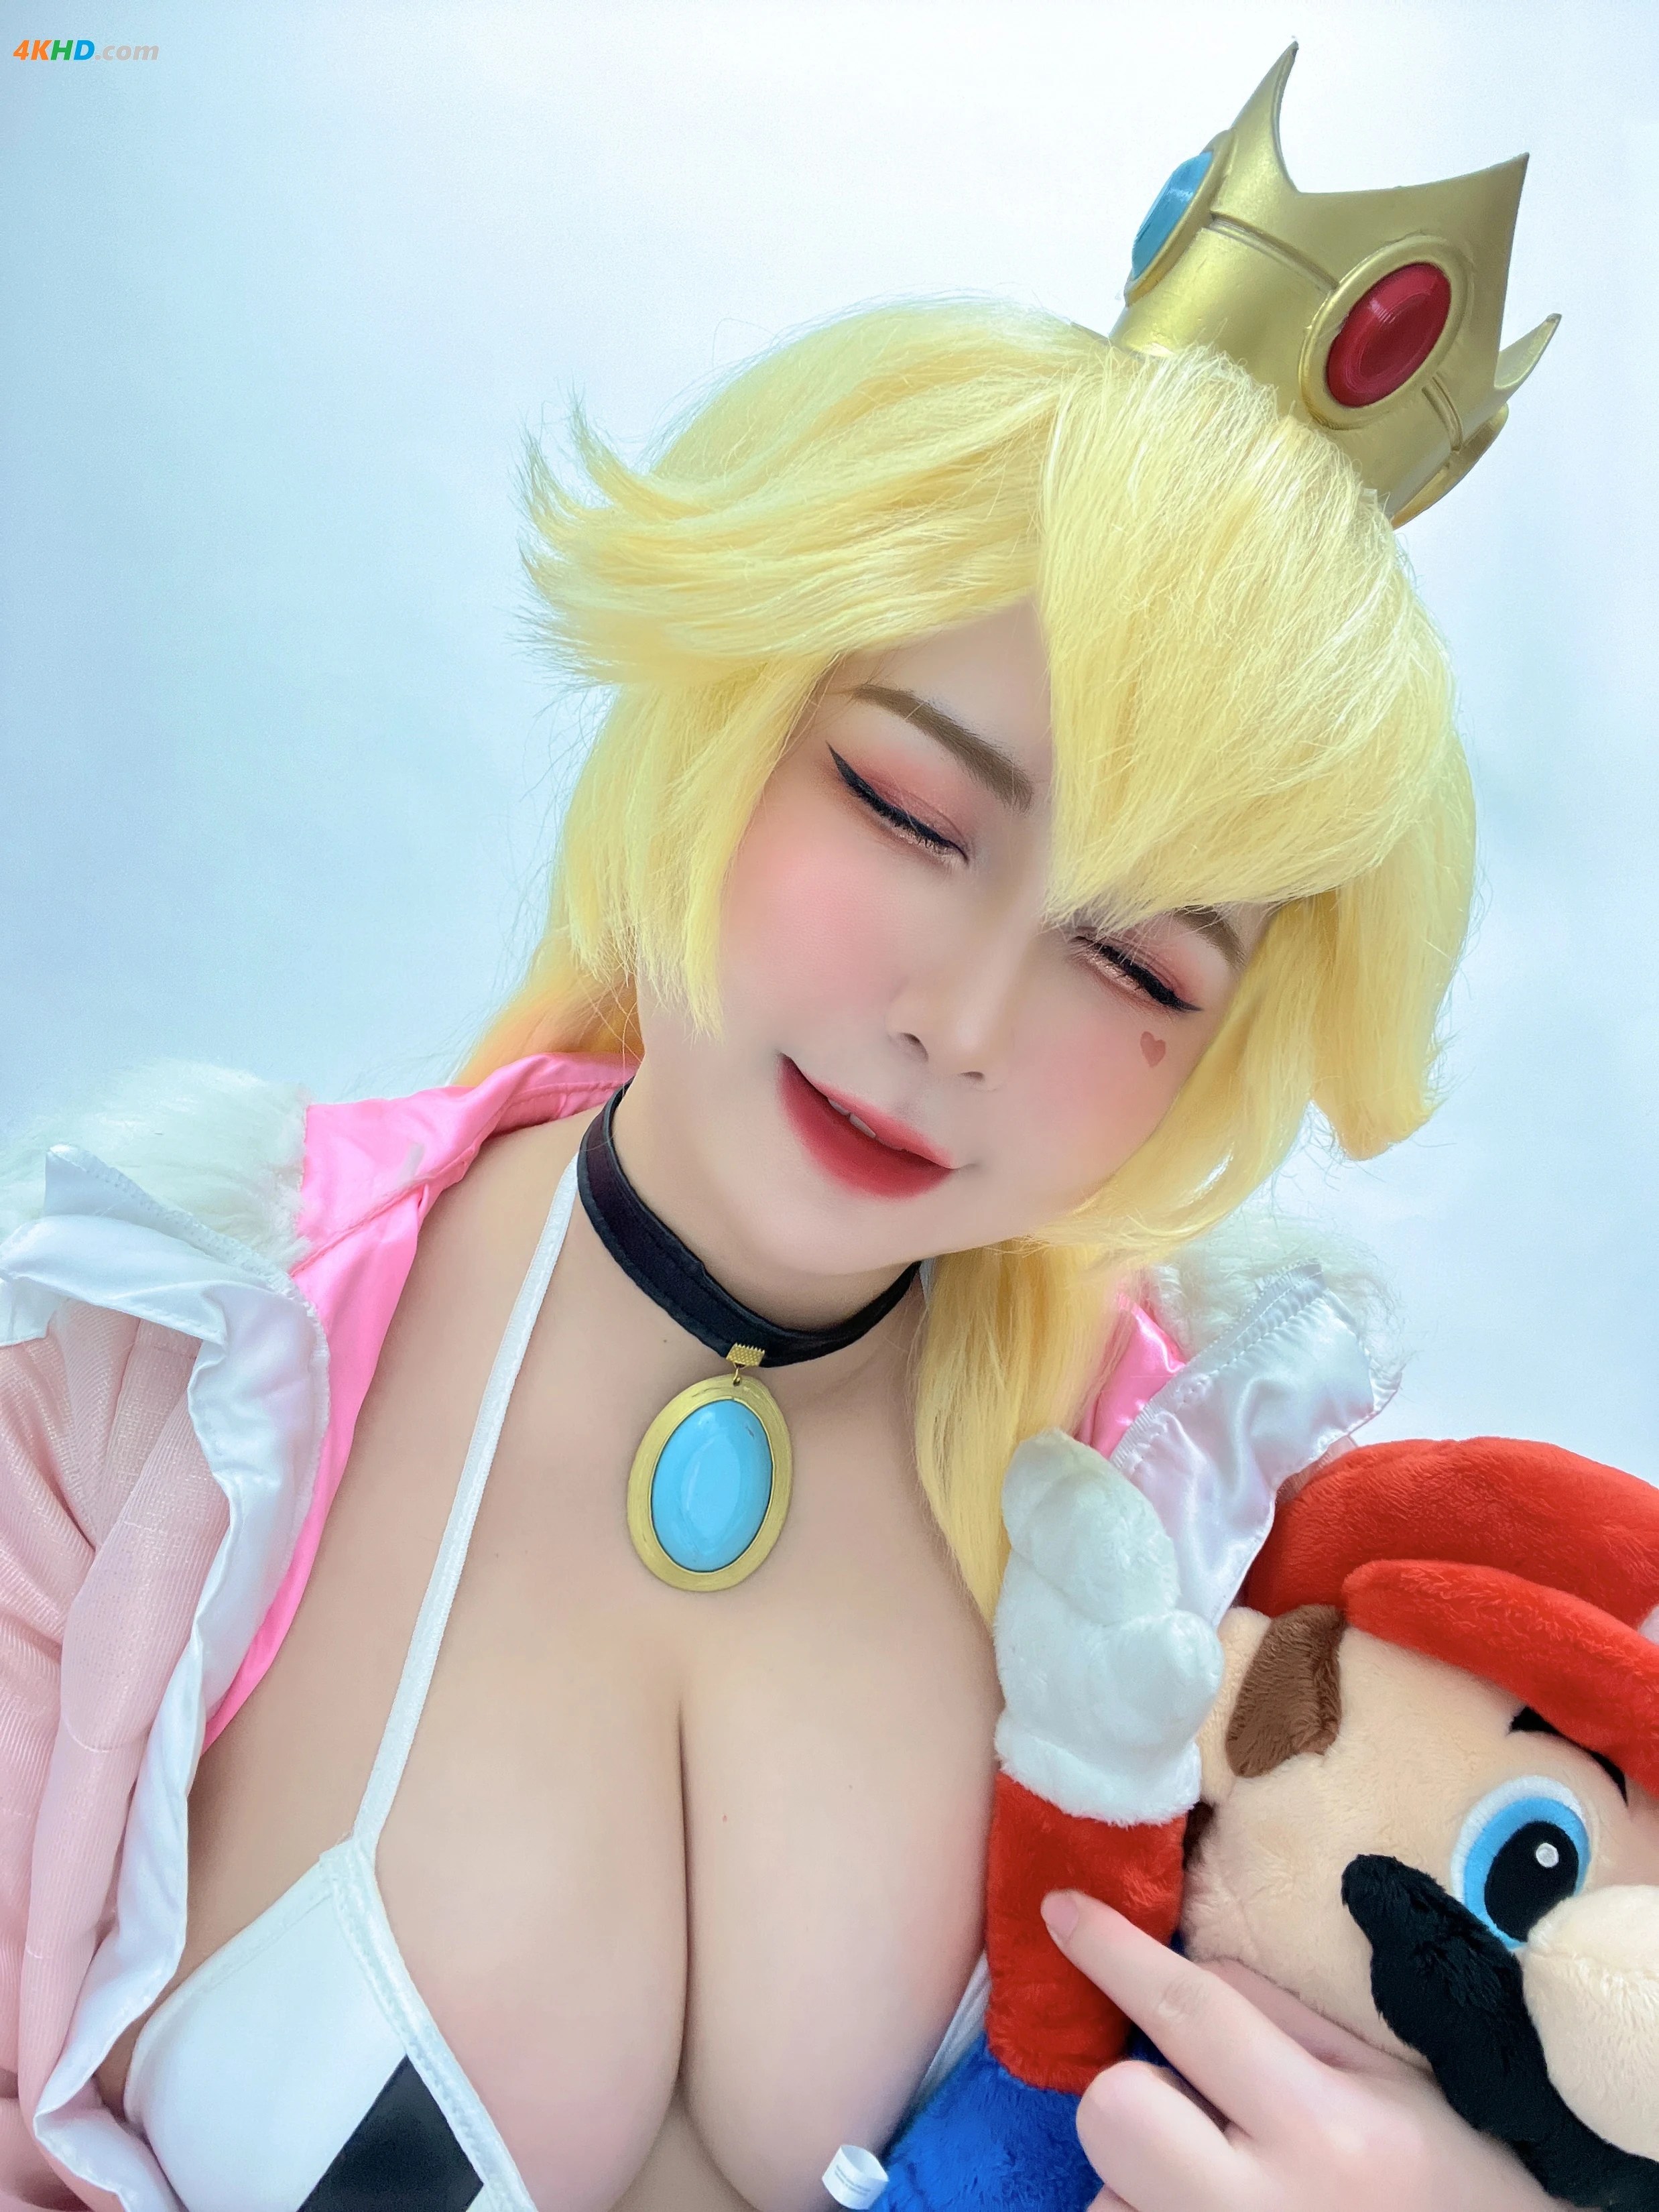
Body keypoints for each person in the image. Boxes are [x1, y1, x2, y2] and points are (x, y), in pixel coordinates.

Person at [0, 64, 1566, 2212]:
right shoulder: (152, 1367)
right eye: (907, 808)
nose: (960, 1020)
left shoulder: (1201, 1534)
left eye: (1135, 964)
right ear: (726, 711)